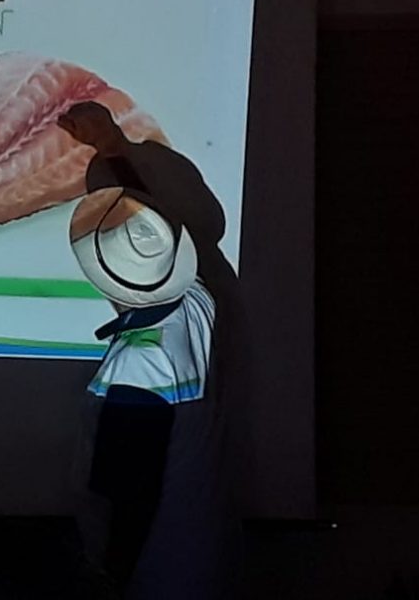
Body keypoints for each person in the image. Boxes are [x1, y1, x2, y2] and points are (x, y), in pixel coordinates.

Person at [59, 102, 245, 600]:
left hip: (154, 574)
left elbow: (128, 496)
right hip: (203, 555)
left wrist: (109, 577)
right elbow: (172, 235)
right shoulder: (200, 304)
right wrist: (112, 152)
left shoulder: (139, 365)